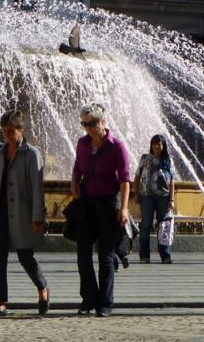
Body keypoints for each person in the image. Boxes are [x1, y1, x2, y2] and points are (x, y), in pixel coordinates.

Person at [0, 110, 49, 318]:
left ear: (21, 130)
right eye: (4, 131)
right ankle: (1, 303)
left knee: (25, 257)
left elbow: (37, 190)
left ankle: (42, 289)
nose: (6, 135)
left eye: (10, 131)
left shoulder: (32, 154)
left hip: (21, 214)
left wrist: (37, 218)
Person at [69, 102, 132, 317]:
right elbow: (77, 168)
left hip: (108, 205)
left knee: (106, 256)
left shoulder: (117, 147)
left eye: (92, 123)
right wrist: (74, 183)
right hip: (87, 204)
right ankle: (88, 298)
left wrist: (123, 208)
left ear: (103, 122)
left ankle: (105, 303)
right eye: (84, 124)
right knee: (83, 255)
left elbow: (125, 180)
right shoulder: (82, 144)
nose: (88, 128)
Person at [132, 134, 176, 263]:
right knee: (146, 225)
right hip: (146, 196)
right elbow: (137, 176)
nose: (157, 146)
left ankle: (165, 255)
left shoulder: (168, 160)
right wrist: (136, 193)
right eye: (155, 143)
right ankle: (144, 256)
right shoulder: (145, 158)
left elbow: (172, 180)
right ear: (151, 145)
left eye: (159, 144)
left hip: (163, 197)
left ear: (163, 146)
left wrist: (171, 199)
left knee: (164, 226)